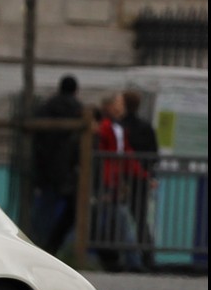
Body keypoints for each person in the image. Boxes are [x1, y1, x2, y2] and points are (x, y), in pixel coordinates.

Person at [92, 91, 146, 272]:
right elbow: (121, 155)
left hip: (111, 180)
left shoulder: (114, 127)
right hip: (110, 181)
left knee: (111, 221)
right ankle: (133, 261)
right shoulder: (110, 128)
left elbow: (124, 155)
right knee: (118, 220)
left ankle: (120, 259)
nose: (121, 106)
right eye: (118, 102)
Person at [30, 75, 84, 254]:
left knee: (43, 210)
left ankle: (36, 245)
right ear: (75, 90)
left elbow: (36, 138)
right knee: (70, 212)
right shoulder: (78, 110)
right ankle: (55, 248)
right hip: (67, 169)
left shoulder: (46, 107)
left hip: (45, 167)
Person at [119, 89, 159, 270]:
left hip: (122, 178)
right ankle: (148, 256)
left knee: (118, 216)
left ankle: (122, 256)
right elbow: (154, 153)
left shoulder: (120, 126)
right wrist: (149, 174)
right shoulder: (145, 126)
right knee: (141, 219)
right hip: (141, 178)